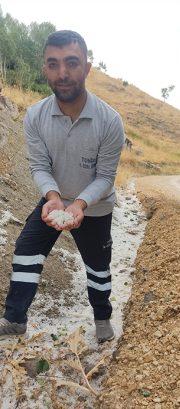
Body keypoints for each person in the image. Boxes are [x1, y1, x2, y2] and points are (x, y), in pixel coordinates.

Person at [0, 30, 125, 342]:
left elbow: (105, 178)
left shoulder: (110, 121)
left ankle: (102, 319)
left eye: (71, 62)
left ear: (87, 67)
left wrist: (79, 205)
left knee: (98, 267)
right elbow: (39, 166)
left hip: (94, 208)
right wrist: (53, 198)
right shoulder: (35, 116)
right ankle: (15, 319)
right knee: (26, 250)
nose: (63, 73)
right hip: (55, 201)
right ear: (45, 69)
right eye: (53, 64)